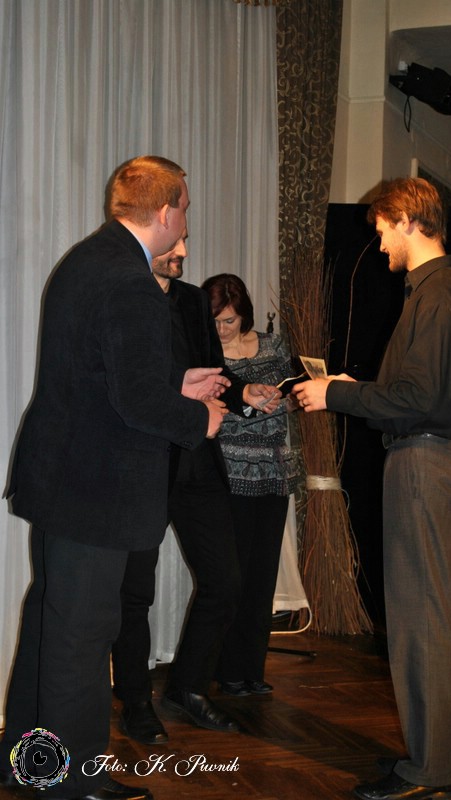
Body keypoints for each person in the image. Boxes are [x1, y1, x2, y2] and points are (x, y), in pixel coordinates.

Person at [0, 156, 231, 800]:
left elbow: (99, 374)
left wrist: (177, 382)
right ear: (166, 211)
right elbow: (135, 402)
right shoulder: (131, 282)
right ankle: (71, 781)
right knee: (81, 636)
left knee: (52, 624)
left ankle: (28, 764)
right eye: (185, 209)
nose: (185, 221)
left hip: (65, 479)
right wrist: (202, 418)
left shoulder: (89, 259)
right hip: (95, 488)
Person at [294, 177, 451, 800]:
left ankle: (429, 771)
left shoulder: (439, 294)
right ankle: (443, 760)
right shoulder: (448, 292)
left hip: (425, 463)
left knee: (419, 621)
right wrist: (357, 388)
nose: (379, 245)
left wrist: (336, 394)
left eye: (381, 230)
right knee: (430, 617)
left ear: (406, 219)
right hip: (437, 459)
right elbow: (431, 393)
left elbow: (418, 399)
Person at [112, 247, 281, 743]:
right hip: (144, 465)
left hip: (199, 463)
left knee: (225, 582)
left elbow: (213, 376)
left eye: (184, 237)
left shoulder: (192, 301)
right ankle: (136, 701)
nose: (181, 249)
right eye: (172, 240)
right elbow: (126, 384)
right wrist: (180, 392)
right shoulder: (124, 298)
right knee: (134, 594)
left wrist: (242, 393)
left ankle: (187, 687)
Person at [201, 274, 299, 697]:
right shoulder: (206, 357)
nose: (222, 329)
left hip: (274, 472)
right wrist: (246, 403)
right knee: (232, 577)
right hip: (230, 475)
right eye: (215, 322)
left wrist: (286, 398)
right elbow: (210, 409)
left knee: (262, 576)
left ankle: (251, 668)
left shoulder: (273, 346)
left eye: (229, 321)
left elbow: (294, 393)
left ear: (245, 315)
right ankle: (226, 670)